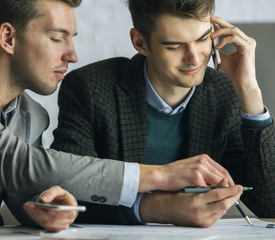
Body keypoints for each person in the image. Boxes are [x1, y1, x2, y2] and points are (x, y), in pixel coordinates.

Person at [0, 0, 233, 231]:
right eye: (57, 38)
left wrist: (47, 208)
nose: (72, 55)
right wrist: (160, 175)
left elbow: (24, 191)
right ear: (8, 38)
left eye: (72, 39)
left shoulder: (30, 115)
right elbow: (12, 160)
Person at [52, 0, 275, 227]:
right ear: (140, 42)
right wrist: (157, 208)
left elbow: (269, 204)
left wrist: (249, 91)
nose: (195, 58)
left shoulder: (222, 92)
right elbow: (65, 193)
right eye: (174, 46)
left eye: (202, 39)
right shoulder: (90, 89)